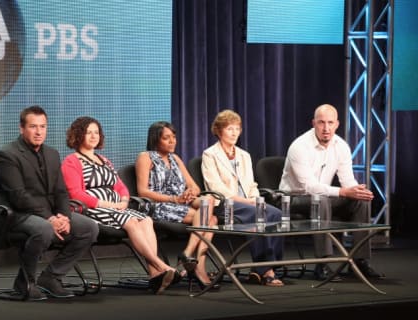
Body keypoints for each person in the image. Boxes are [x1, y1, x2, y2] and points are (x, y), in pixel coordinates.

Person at [61, 116, 178, 294]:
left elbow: (120, 186)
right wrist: (107, 204)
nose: (94, 136)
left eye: (96, 132)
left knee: (146, 220)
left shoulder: (104, 160)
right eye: (88, 132)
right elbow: (76, 194)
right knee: (131, 222)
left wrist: (123, 200)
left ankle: (155, 274)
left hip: (115, 207)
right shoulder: (71, 161)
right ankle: (161, 266)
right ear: (78, 135)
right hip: (91, 209)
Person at [0, 106, 99, 301]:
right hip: (15, 214)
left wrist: (65, 217)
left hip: (47, 212)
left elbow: (60, 191)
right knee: (44, 229)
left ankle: (51, 277)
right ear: (21, 128)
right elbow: (19, 196)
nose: (39, 132)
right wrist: (50, 218)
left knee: (89, 228)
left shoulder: (52, 154)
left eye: (43, 126)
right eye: (33, 126)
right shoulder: (6, 155)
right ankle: (25, 281)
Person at [279, 103, 385, 280]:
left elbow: (347, 180)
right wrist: (344, 192)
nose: (326, 128)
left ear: (337, 124)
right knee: (320, 199)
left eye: (330, 123)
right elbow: (309, 187)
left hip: (323, 198)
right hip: (293, 199)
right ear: (313, 123)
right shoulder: (299, 146)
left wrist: (356, 190)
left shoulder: (341, 146)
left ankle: (359, 261)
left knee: (361, 201)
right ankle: (323, 263)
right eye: (321, 123)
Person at [201, 109, 284, 287]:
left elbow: (251, 184)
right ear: (219, 130)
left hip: (249, 203)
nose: (234, 133)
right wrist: (247, 202)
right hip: (226, 205)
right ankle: (267, 271)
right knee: (259, 215)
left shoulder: (244, 155)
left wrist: (255, 199)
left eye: (237, 128)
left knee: (276, 214)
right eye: (229, 128)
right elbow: (215, 187)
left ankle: (259, 268)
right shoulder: (210, 155)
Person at [135, 121, 219, 290]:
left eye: (174, 137)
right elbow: (142, 191)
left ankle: (188, 254)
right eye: (166, 138)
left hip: (181, 203)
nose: (172, 141)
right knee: (212, 221)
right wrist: (173, 199)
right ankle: (198, 268)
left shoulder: (176, 159)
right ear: (156, 139)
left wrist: (190, 192)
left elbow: (194, 186)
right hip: (159, 204)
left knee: (208, 199)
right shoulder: (145, 157)